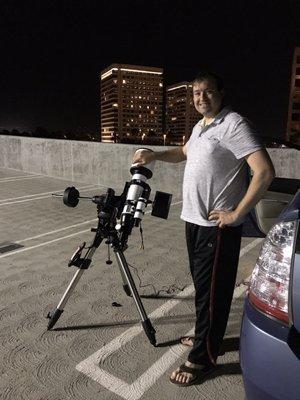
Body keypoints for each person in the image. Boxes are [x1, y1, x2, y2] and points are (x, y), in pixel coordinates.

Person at [132, 71, 275, 387]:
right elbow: (183, 153)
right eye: (196, 93)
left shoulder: (234, 124)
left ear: (221, 93)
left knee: (211, 292)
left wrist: (237, 213)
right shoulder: (200, 127)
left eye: (207, 92)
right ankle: (209, 338)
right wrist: (154, 154)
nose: (200, 98)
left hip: (217, 227)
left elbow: (264, 171)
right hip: (194, 221)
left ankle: (202, 359)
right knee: (207, 289)